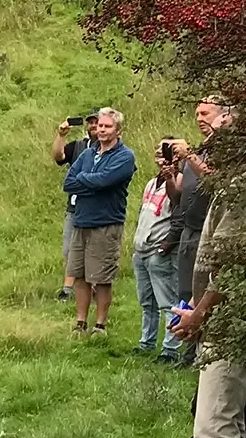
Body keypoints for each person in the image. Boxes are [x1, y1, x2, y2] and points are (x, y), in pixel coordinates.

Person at [174, 187, 246, 438]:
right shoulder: (239, 183)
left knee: (213, 423)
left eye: (221, 126)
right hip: (231, 320)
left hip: (232, 322)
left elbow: (231, 265)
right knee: (229, 416)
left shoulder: (245, 186)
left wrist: (199, 315)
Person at [168, 97, 234, 365]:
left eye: (205, 113)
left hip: (210, 231)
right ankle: (189, 347)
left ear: (221, 116)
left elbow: (216, 179)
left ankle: (204, 350)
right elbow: (179, 192)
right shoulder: (198, 149)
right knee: (187, 289)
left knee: (206, 287)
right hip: (189, 227)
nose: (199, 118)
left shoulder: (224, 150)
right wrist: (169, 172)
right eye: (196, 114)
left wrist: (189, 156)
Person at [63, 106, 136, 333]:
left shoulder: (125, 156)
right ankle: (81, 321)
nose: (102, 130)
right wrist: (91, 182)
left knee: (102, 277)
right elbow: (68, 183)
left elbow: (106, 180)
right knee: (80, 275)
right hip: (81, 221)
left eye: (107, 126)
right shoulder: (87, 153)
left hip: (106, 223)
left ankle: (100, 324)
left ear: (118, 129)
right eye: (100, 126)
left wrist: (85, 180)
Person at [132, 141, 185, 361]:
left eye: (167, 150)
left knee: (167, 301)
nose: (160, 153)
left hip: (158, 249)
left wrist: (167, 244)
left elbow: (178, 207)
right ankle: (147, 342)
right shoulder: (152, 182)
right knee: (147, 301)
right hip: (141, 248)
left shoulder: (179, 180)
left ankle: (170, 348)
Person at [52, 111, 100, 299]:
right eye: (91, 122)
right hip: (74, 207)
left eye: (98, 122)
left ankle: (93, 288)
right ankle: (69, 289)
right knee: (69, 250)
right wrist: (61, 135)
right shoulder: (79, 146)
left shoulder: (111, 150)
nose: (94, 126)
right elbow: (58, 156)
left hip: (97, 209)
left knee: (94, 251)